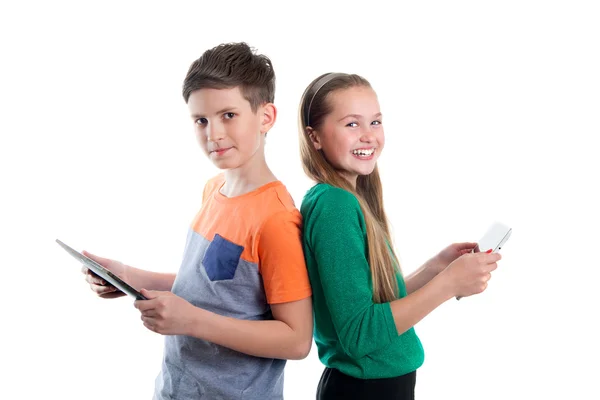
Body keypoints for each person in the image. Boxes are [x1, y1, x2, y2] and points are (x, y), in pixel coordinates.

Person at [81, 42, 313, 399]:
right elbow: (212, 287)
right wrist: (130, 276)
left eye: (228, 115)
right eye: (201, 120)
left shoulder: (275, 219)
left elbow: (296, 340)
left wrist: (191, 321)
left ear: (266, 117)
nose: (213, 134)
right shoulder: (214, 189)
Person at [297, 72, 501, 399]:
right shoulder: (335, 206)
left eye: (375, 122)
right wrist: (447, 285)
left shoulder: (350, 199)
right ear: (315, 137)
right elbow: (360, 333)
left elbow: (369, 306)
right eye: (352, 124)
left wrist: (434, 269)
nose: (368, 136)